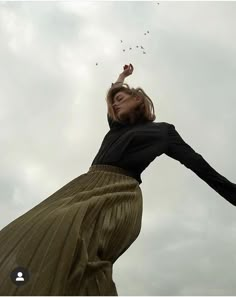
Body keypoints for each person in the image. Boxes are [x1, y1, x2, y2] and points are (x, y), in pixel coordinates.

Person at [0, 64, 235, 296]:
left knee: (71, 242)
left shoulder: (163, 132)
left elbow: (198, 164)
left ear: (138, 99)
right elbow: (113, 92)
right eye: (113, 102)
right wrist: (122, 76)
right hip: (84, 186)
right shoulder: (116, 127)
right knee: (32, 232)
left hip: (119, 193)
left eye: (121, 98)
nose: (115, 103)